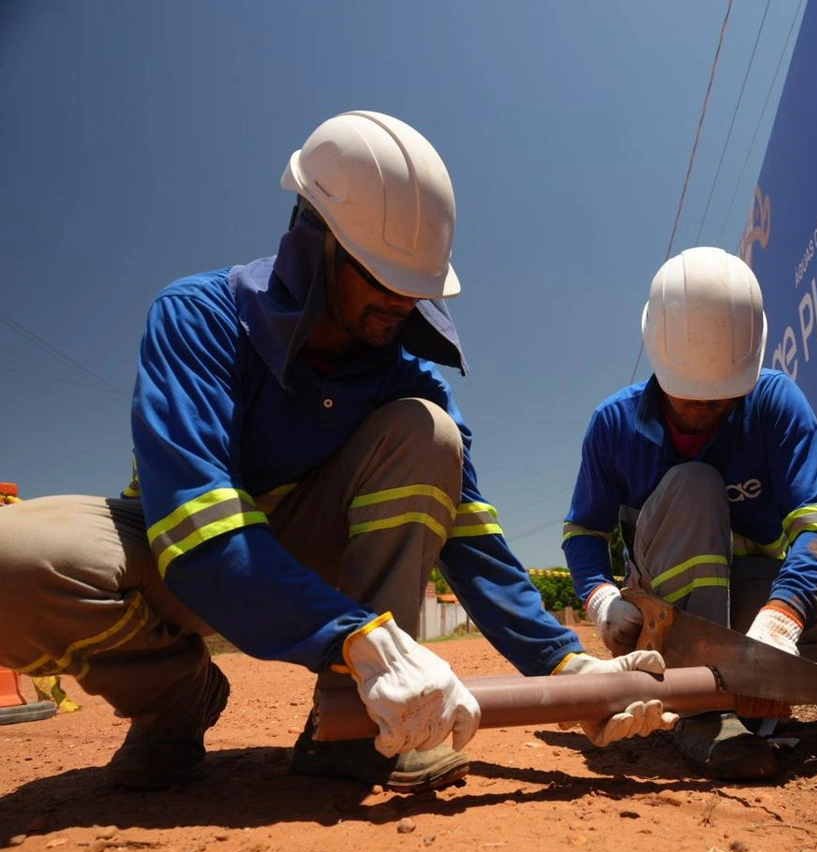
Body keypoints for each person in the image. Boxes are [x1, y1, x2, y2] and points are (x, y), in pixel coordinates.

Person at [0, 110, 676, 793]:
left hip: (304, 557)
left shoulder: (406, 379)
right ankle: (175, 702)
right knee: (11, 559)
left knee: (428, 431)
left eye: (416, 287)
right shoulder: (197, 318)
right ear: (313, 245)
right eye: (383, 278)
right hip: (175, 554)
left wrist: (565, 668)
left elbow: (470, 538)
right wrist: (358, 636)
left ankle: (357, 725)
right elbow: (195, 531)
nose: (403, 304)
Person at [562, 246, 817, 780]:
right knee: (696, 483)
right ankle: (702, 713)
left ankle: (736, 683)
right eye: (688, 393)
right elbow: (583, 532)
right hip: (667, 608)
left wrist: (781, 620)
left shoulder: (777, 403)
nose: (702, 408)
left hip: (739, 595)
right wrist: (602, 600)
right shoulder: (614, 425)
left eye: (719, 396)